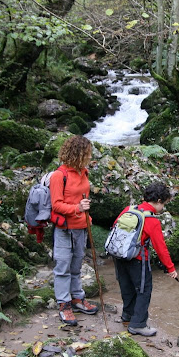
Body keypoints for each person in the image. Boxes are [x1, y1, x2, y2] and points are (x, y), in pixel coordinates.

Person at [114, 182, 178, 337]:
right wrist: (170, 268)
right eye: (163, 204)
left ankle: (127, 316)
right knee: (144, 290)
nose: (162, 208)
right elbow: (160, 248)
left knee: (127, 286)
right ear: (158, 201)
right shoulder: (151, 220)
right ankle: (138, 324)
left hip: (119, 256)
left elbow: (115, 228)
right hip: (137, 260)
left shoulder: (129, 210)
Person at [50, 135, 98, 326]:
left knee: (77, 265)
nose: (90, 156)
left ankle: (77, 298)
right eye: (87, 153)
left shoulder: (83, 173)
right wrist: (77, 208)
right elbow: (56, 205)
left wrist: (85, 213)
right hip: (64, 229)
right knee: (63, 267)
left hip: (81, 227)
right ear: (78, 153)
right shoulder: (58, 176)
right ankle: (64, 304)